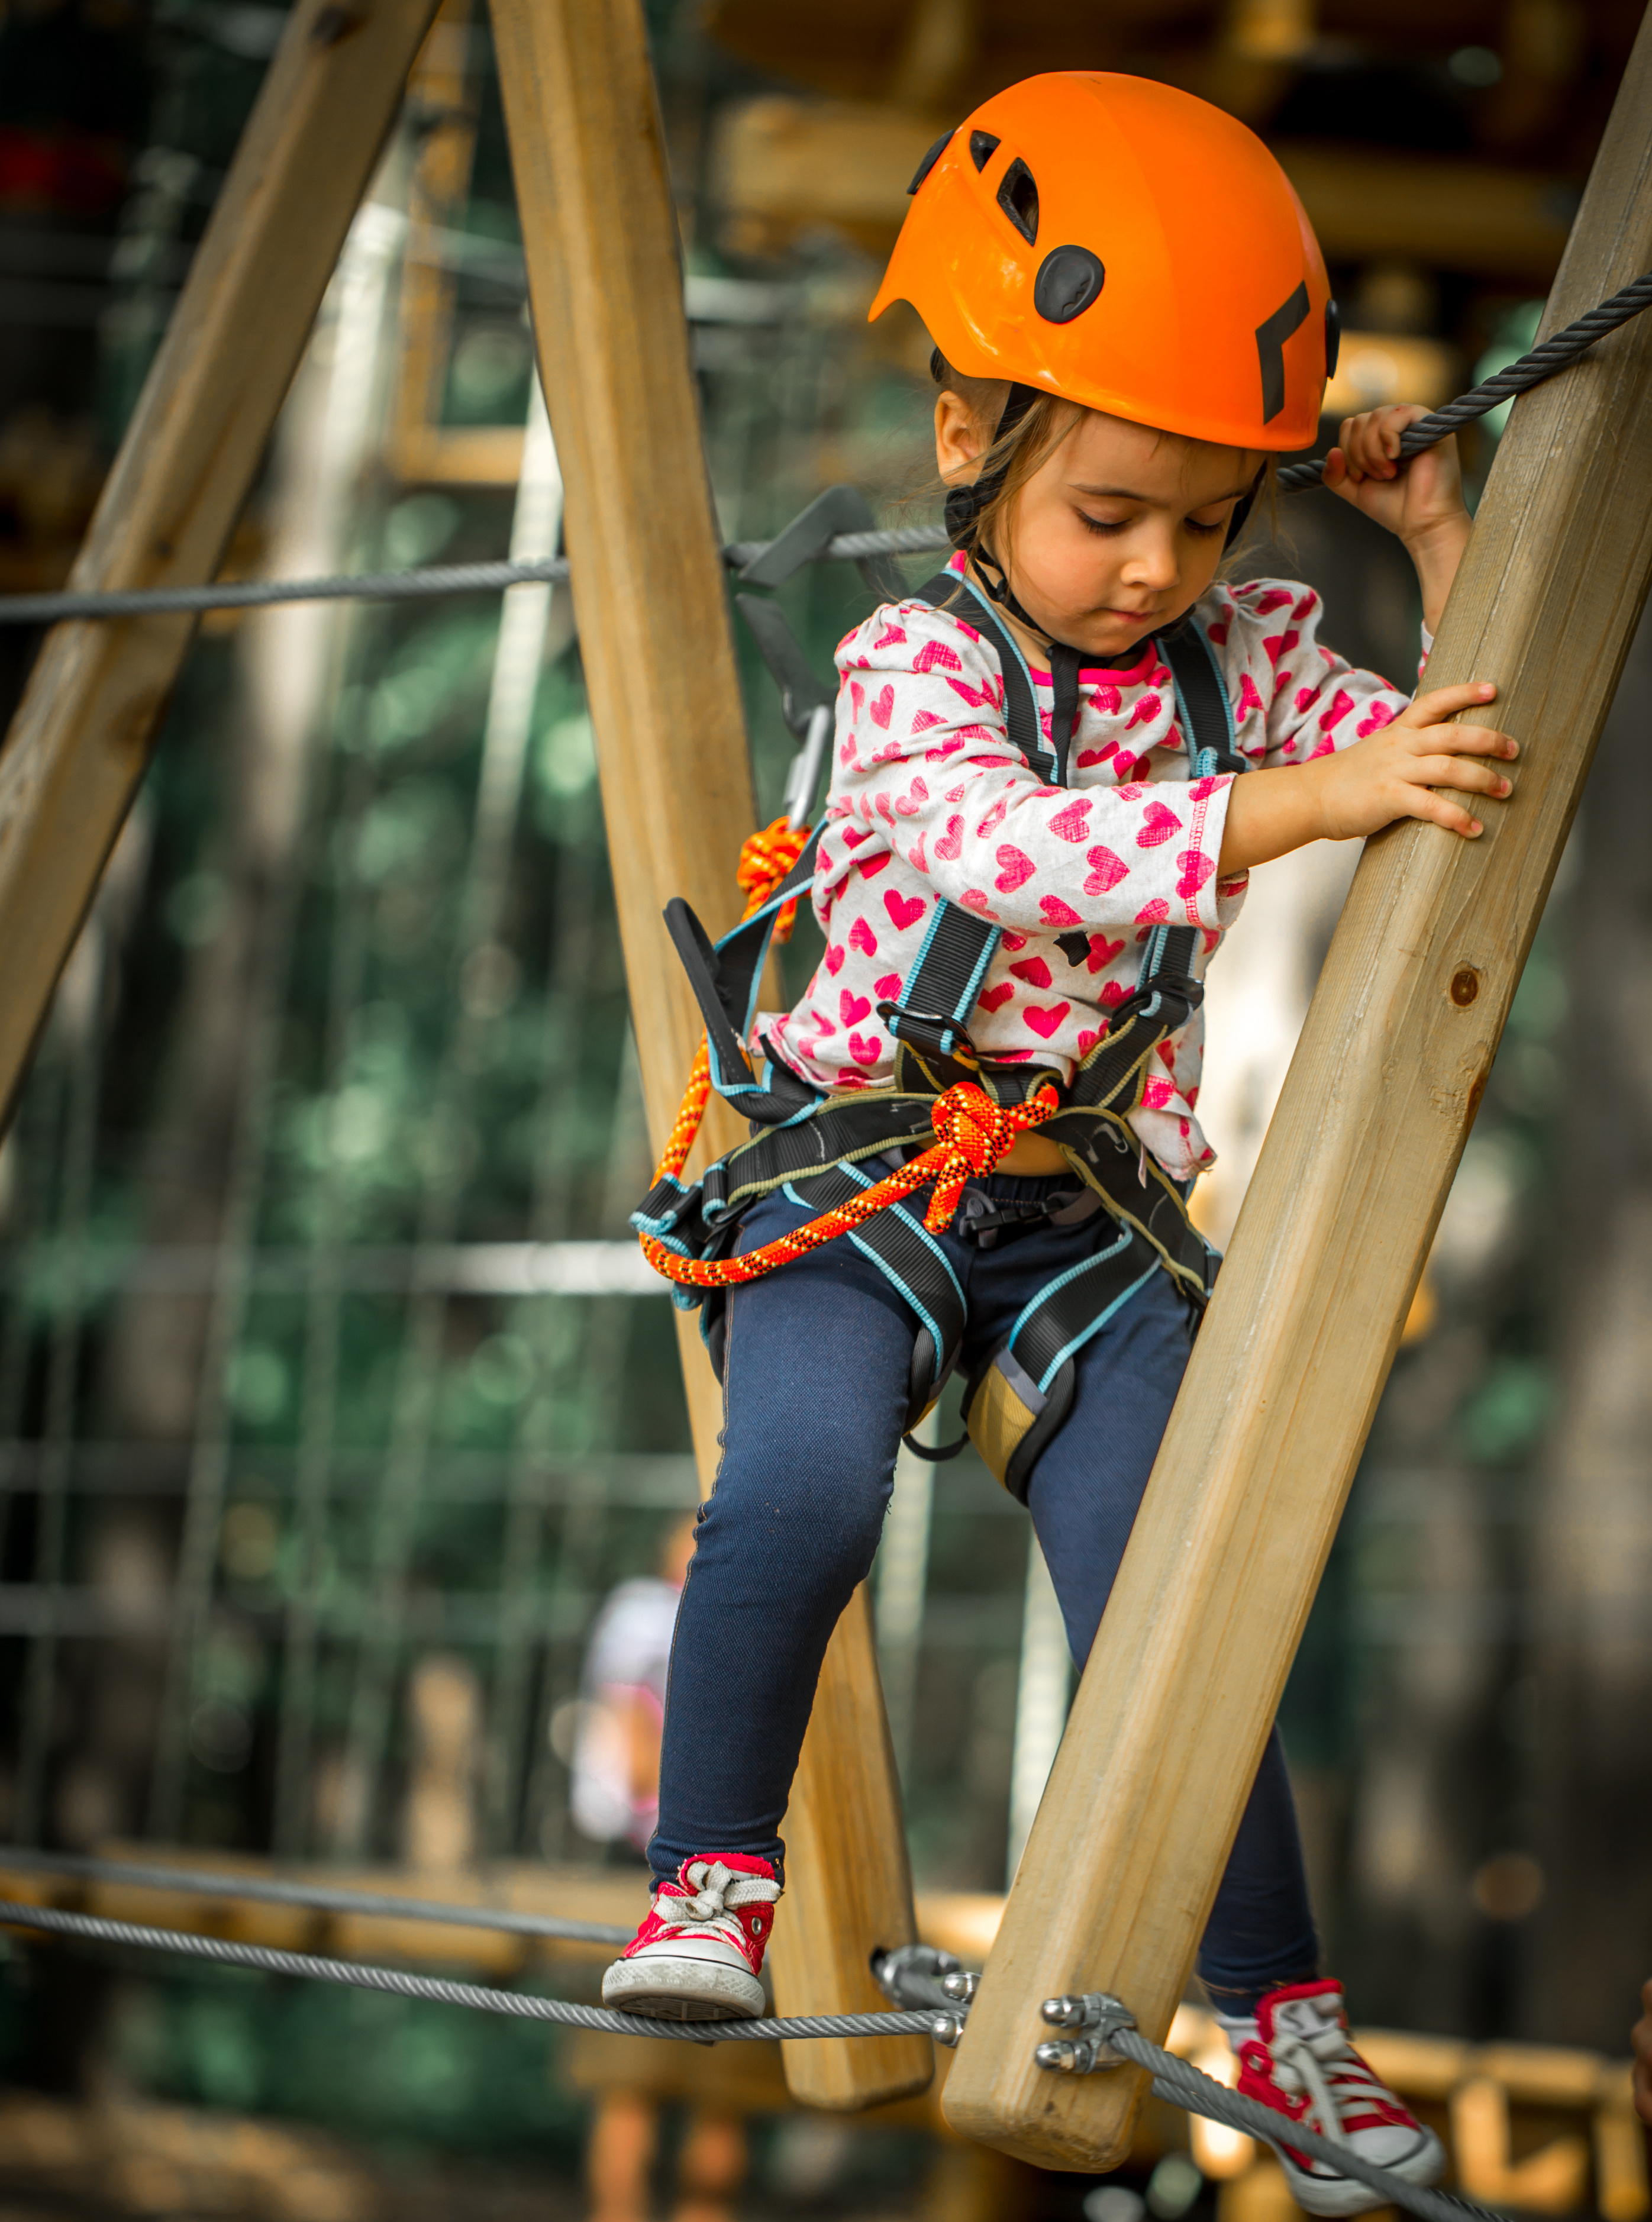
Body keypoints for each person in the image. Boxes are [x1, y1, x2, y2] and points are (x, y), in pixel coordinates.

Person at [605, 73, 1516, 2218]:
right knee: (798, 1488)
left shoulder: (1236, 654)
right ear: (969, 442)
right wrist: (1301, 813)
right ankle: (711, 1882)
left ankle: (1283, 2010)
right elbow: (1031, 854)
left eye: (1208, 518)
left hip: (1085, 1219)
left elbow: (1452, 748)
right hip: (867, 1181)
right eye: (1112, 507)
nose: (1158, 565)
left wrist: (1439, 537)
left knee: (1183, 1595)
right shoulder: (912, 665)